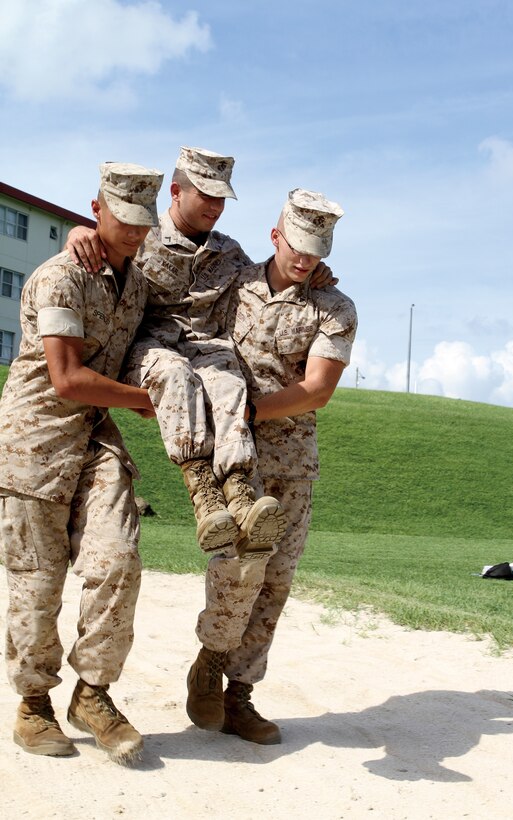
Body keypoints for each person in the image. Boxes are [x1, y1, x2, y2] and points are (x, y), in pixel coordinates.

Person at [0, 162, 163, 764]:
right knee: (37, 583)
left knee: (118, 558)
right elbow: (67, 378)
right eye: (122, 219)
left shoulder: (138, 284)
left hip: (95, 438)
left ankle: (91, 695)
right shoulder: (59, 278)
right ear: (97, 209)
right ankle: (34, 706)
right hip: (34, 443)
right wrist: (146, 401)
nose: (134, 232)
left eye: (143, 222)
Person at [186, 188, 357, 745]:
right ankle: (210, 662)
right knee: (241, 570)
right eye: (297, 245)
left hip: (293, 462)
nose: (304, 260)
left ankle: (239, 695)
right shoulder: (234, 280)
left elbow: (316, 390)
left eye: (316, 250)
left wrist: (251, 409)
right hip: (235, 458)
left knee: (275, 582)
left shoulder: (335, 307)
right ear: (275, 233)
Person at [67, 147, 287, 558]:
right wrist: (78, 232)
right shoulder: (142, 236)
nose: (216, 206)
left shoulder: (229, 252)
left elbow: (271, 276)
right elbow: (101, 241)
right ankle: (202, 490)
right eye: (205, 195)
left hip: (206, 351)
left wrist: (317, 272)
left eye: (221, 198)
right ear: (175, 192)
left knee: (228, 381)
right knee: (172, 372)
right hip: (149, 349)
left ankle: (238, 494)